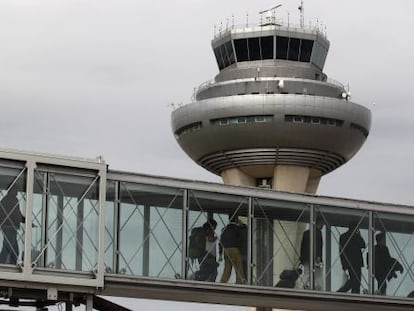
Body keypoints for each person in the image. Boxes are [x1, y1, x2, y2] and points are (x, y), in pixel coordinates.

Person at [337, 221, 366, 294]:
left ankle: (342, 291)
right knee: (356, 280)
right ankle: (347, 292)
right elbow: (363, 245)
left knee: (353, 280)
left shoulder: (343, 236)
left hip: (348, 262)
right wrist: (359, 235)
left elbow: (341, 251)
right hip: (357, 262)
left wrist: (343, 265)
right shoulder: (356, 236)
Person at [0, 186, 24, 264]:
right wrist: (25, 221)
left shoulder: (5, 200)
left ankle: (8, 262)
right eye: (16, 190)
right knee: (9, 246)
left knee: (10, 246)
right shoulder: (12, 200)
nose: (17, 192)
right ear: (12, 190)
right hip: (10, 226)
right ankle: (5, 263)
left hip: (7, 225)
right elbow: (17, 214)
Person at [299, 218, 324, 290]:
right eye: (322, 224)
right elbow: (318, 245)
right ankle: (320, 289)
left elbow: (302, 246)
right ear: (318, 224)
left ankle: (300, 288)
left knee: (307, 274)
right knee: (318, 275)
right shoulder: (318, 232)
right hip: (315, 258)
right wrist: (319, 256)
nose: (323, 226)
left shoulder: (306, 233)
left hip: (306, 258)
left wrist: (302, 258)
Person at [219, 218, 245, 284]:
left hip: (226, 250)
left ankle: (223, 283)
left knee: (227, 269)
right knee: (239, 268)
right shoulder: (237, 228)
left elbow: (220, 242)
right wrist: (242, 224)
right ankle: (239, 283)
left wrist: (220, 253)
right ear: (236, 221)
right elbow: (244, 234)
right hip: (234, 249)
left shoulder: (224, 229)